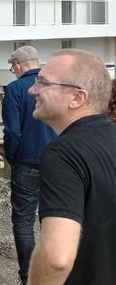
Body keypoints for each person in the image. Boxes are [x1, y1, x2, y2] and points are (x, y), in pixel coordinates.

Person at [27, 49, 116, 285]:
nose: (32, 89)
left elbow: (57, 258)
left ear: (77, 97)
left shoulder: (62, 154)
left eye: (42, 82)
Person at [2, 46, 56, 285]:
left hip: (27, 162)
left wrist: (13, 157)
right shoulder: (56, 85)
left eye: (12, 67)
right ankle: (55, 273)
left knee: (23, 221)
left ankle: (28, 277)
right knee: (54, 218)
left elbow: (12, 131)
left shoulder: (14, 89)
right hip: (57, 162)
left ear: (19, 66)